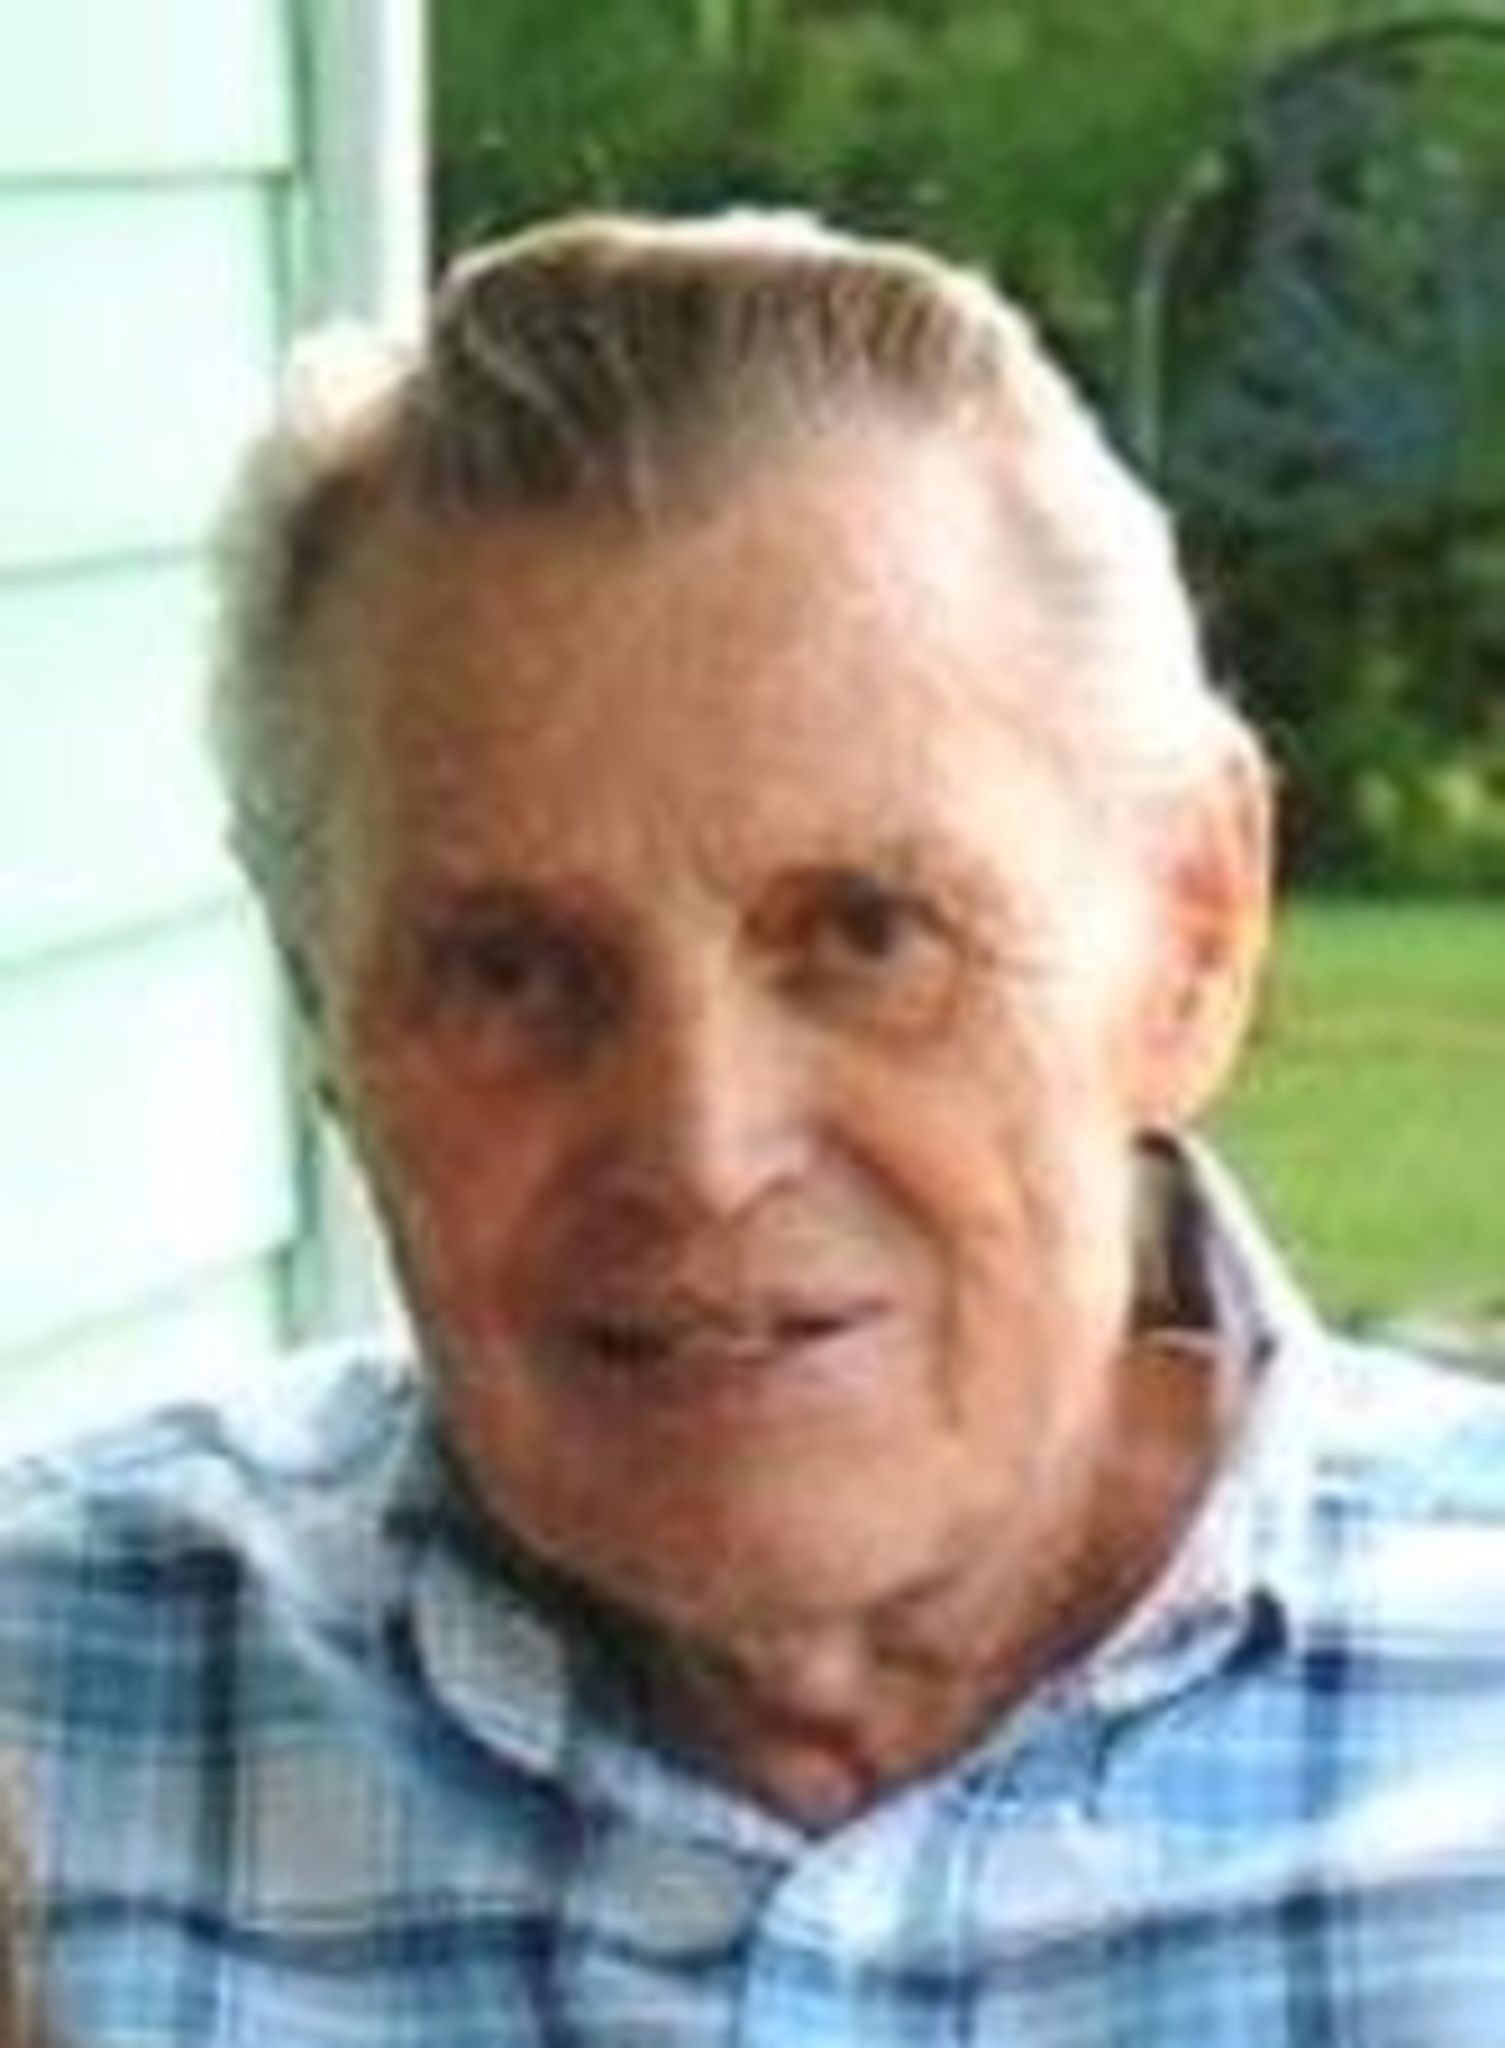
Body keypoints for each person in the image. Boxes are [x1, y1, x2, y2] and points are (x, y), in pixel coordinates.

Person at [2, 211, 1505, 2046]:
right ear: (325, 1011)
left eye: (865, 935)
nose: (701, 1148)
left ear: (1192, 937)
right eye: (508, 972)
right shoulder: (45, 1732)